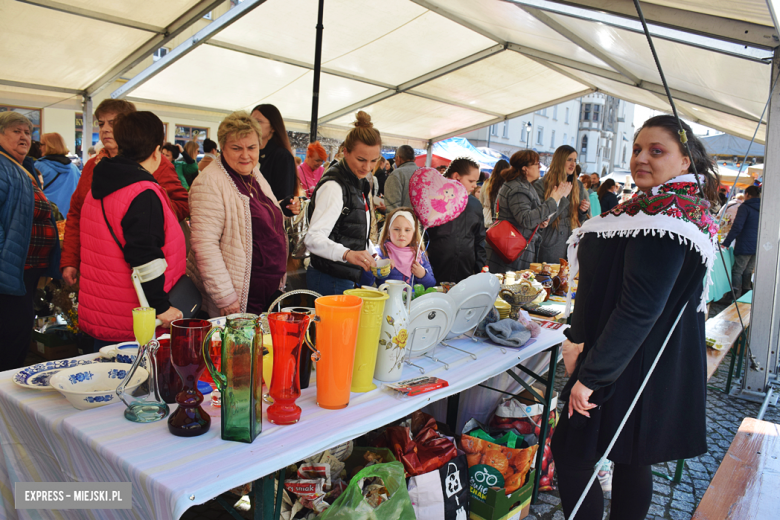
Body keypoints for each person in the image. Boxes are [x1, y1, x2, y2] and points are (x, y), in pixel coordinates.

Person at [554, 115, 720, 520]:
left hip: (620, 362)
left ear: (685, 162)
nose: (641, 158)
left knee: (572, 454)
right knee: (631, 456)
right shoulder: (667, 211)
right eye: (637, 149)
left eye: (656, 151)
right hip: (639, 361)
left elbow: (639, 307)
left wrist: (591, 377)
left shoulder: (662, 218)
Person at [78, 112, 185, 348]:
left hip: (105, 314)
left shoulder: (100, 185)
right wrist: (162, 307)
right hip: (136, 324)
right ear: (157, 150)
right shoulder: (142, 192)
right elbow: (146, 256)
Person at [60, 99, 189, 287]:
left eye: (113, 123)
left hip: (139, 269)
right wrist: (70, 259)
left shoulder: (155, 162)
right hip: (97, 267)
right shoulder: (91, 166)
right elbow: (75, 214)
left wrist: (147, 213)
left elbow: (182, 205)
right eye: (101, 123)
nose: (104, 129)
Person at [188, 111, 288, 316]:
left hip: (266, 289)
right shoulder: (210, 181)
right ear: (222, 147)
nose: (245, 155)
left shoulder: (254, 173)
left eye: (251, 147)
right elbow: (205, 245)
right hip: (239, 294)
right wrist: (225, 297)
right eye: (236, 148)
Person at [0, 112, 61, 371]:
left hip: (23, 273)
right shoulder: (3, 167)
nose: (24, 136)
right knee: (11, 337)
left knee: (17, 334)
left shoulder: (21, 168)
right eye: (16, 131)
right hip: (9, 272)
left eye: (27, 131)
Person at [304, 111, 381, 295]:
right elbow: (313, 238)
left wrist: (371, 252)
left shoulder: (357, 181)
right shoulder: (334, 185)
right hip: (329, 277)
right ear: (345, 151)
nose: (367, 167)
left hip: (344, 275)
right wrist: (347, 254)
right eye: (361, 159)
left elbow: (352, 229)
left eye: (374, 161)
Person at [486, 150, 569, 272]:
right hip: (512, 249)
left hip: (514, 246)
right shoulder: (518, 188)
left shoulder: (522, 185)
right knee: (510, 287)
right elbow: (527, 220)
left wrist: (539, 222)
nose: (539, 166)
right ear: (525, 169)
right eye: (536, 164)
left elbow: (525, 217)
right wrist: (554, 199)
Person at [426, 158, 487, 284]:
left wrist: (480, 268)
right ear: (456, 177)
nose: (475, 185)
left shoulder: (475, 204)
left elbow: (479, 239)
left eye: (476, 181)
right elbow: (421, 236)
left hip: (465, 273)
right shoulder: (433, 199)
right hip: (433, 272)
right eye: (471, 181)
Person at [533, 145, 589, 263]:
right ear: (560, 160)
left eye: (575, 160)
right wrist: (561, 198)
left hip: (572, 242)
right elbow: (543, 220)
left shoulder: (577, 185)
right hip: (551, 241)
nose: (573, 164)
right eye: (569, 159)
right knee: (549, 278)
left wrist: (582, 211)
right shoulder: (542, 185)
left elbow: (578, 218)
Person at [362, 208, 435, 288]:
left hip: (411, 300)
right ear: (388, 231)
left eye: (407, 230)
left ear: (413, 233)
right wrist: (375, 267)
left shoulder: (419, 255)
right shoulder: (378, 253)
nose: (402, 234)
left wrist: (423, 275)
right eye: (396, 229)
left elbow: (431, 284)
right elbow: (364, 283)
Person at [251, 104, 299, 215]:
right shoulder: (251, 153)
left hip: (270, 221)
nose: (252, 126)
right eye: (250, 121)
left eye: (258, 122)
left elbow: (284, 199)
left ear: (273, 127)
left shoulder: (282, 156)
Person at [722, 185, 760, 298]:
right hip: (757, 244)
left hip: (745, 243)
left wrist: (726, 242)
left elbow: (737, 226)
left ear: (747, 194)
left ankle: (733, 295)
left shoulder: (745, 207)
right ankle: (746, 293)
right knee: (748, 270)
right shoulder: (763, 207)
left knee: (738, 270)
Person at [36, 132, 81, 216]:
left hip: (47, 217)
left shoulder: (39, 167)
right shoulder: (74, 169)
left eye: (41, 144)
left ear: (48, 146)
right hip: (69, 218)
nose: (39, 148)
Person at [384, 144, 418, 211]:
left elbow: (393, 210)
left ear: (398, 158)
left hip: (404, 219)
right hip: (424, 221)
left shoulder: (396, 175)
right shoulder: (425, 173)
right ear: (414, 159)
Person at [480, 159, 509, 227]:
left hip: (486, 218)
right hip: (501, 220)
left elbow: (481, 201)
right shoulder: (507, 185)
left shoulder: (486, 183)